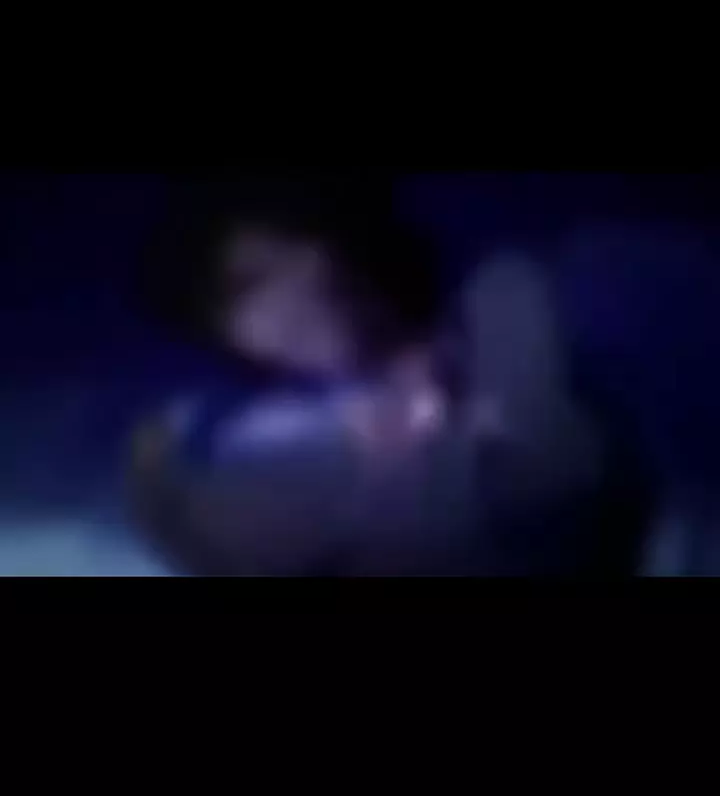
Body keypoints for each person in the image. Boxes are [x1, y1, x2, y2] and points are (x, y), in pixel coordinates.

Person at [128, 181, 655, 586]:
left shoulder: (518, 305)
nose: (308, 275)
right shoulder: (247, 447)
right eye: (249, 286)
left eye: (309, 238)